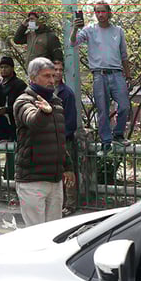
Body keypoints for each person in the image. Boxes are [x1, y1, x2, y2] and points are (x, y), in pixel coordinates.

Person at [13, 58, 75, 227]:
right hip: (32, 180)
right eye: (46, 76)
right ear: (33, 78)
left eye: (53, 76)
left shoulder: (56, 102)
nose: (52, 80)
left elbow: (59, 140)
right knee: (35, 233)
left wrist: (68, 167)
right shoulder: (24, 101)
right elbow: (33, 121)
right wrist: (44, 112)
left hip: (54, 180)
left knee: (54, 232)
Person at [71, 1, 132, 151]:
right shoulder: (89, 30)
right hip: (99, 74)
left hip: (117, 73)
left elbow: (124, 55)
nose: (100, 14)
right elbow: (73, 42)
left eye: (103, 11)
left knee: (124, 106)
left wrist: (128, 75)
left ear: (109, 12)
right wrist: (75, 28)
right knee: (102, 109)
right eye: (97, 12)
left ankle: (118, 135)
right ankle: (106, 140)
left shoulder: (118, 31)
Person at [52, 60, 79, 216]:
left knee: (68, 171)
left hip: (64, 138)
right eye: (55, 69)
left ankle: (70, 204)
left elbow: (71, 120)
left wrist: (62, 135)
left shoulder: (66, 93)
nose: (58, 72)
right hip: (50, 138)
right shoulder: (46, 91)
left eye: (60, 69)